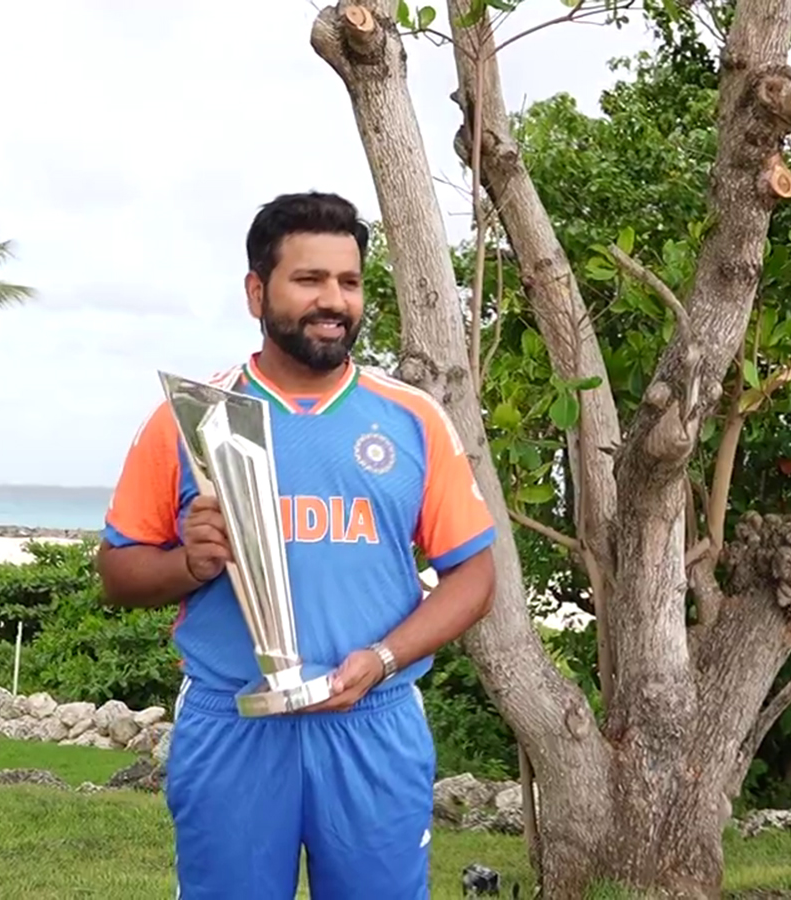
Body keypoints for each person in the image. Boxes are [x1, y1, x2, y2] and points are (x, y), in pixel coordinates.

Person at [96, 191, 497, 899]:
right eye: (309, 280)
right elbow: (118, 573)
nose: (333, 301)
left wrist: (381, 660)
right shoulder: (191, 420)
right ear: (257, 291)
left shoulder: (412, 418)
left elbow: (473, 574)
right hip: (234, 721)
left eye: (348, 282)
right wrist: (188, 565)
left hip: (374, 722)